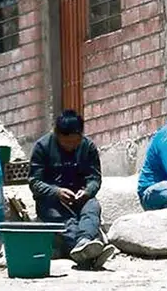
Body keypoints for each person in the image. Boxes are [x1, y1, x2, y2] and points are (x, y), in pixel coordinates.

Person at [29, 110, 115, 269]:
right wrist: (56, 192)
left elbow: (94, 178)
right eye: (66, 143)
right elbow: (35, 182)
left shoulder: (88, 147)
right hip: (52, 203)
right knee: (66, 223)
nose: (71, 147)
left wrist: (87, 191)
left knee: (92, 209)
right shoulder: (42, 147)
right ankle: (88, 253)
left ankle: (84, 243)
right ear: (57, 135)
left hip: (80, 199)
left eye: (75, 142)